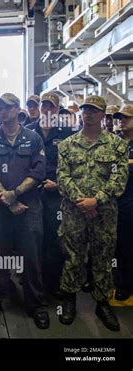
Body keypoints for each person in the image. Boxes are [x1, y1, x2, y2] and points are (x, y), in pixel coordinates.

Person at [57, 95, 129, 332]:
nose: (87, 113)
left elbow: (119, 179)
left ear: (102, 115)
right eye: (85, 110)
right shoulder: (67, 145)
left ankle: (102, 303)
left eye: (93, 110)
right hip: (73, 212)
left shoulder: (118, 145)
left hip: (104, 213)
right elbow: (62, 177)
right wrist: (81, 202)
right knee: (73, 258)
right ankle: (69, 300)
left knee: (103, 259)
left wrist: (95, 201)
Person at [0, 93, 49, 329]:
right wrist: (8, 200)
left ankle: (36, 304)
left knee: (32, 257)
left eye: (8, 107)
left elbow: (39, 172)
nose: (3, 111)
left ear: (17, 109)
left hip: (29, 207)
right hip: (0, 208)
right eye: (0, 107)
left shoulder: (33, 138)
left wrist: (15, 194)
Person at [26, 92, 73, 296]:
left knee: (54, 240)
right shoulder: (27, 132)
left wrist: (58, 184)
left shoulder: (68, 134)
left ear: (57, 109)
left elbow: (75, 168)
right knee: (32, 240)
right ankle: (33, 285)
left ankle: (52, 284)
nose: (46, 109)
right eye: (43, 105)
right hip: (31, 194)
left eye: (51, 106)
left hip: (56, 196)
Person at [112, 104, 133, 301]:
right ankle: (122, 283)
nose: (122, 121)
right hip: (117, 204)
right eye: (120, 118)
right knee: (119, 246)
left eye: (126, 118)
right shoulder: (115, 144)